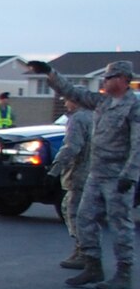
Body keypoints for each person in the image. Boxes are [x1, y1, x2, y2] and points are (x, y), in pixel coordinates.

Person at [29, 59, 140, 289]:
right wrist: (50, 73)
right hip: (96, 173)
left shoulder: (133, 107)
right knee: (84, 218)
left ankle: (123, 273)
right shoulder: (102, 102)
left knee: (120, 225)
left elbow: (138, 144)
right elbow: (71, 92)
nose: (105, 81)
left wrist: (130, 175)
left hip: (118, 176)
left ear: (122, 79)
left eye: (109, 78)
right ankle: (92, 265)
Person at [50, 91, 95, 269]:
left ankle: (83, 252)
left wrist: (55, 170)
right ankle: (86, 252)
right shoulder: (95, 117)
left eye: (67, 100)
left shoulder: (77, 119)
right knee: (86, 214)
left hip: (79, 173)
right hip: (94, 173)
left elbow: (72, 147)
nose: (65, 104)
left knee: (73, 212)